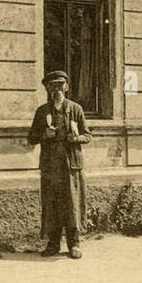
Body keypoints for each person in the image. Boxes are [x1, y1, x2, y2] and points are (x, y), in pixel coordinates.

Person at [26, 70, 92, 259]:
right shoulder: (42, 112)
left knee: (72, 203)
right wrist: (43, 136)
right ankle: (53, 244)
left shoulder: (76, 109)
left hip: (70, 167)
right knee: (52, 204)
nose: (57, 90)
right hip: (50, 167)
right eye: (52, 86)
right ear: (47, 89)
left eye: (60, 85)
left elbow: (88, 136)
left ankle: (74, 244)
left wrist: (77, 137)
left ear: (67, 87)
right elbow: (31, 138)